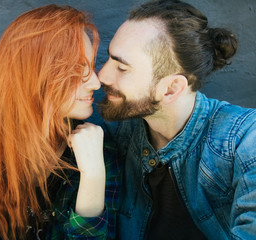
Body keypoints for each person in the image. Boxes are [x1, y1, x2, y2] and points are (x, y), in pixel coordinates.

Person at [0, 5, 121, 240]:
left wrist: (93, 176)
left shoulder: (94, 146)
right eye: (78, 70)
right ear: (35, 75)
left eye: (91, 67)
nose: (96, 83)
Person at [98, 0, 256, 239]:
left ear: (171, 88)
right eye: (109, 59)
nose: (101, 75)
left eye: (122, 68)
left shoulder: (244, 139)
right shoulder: (116, 137)